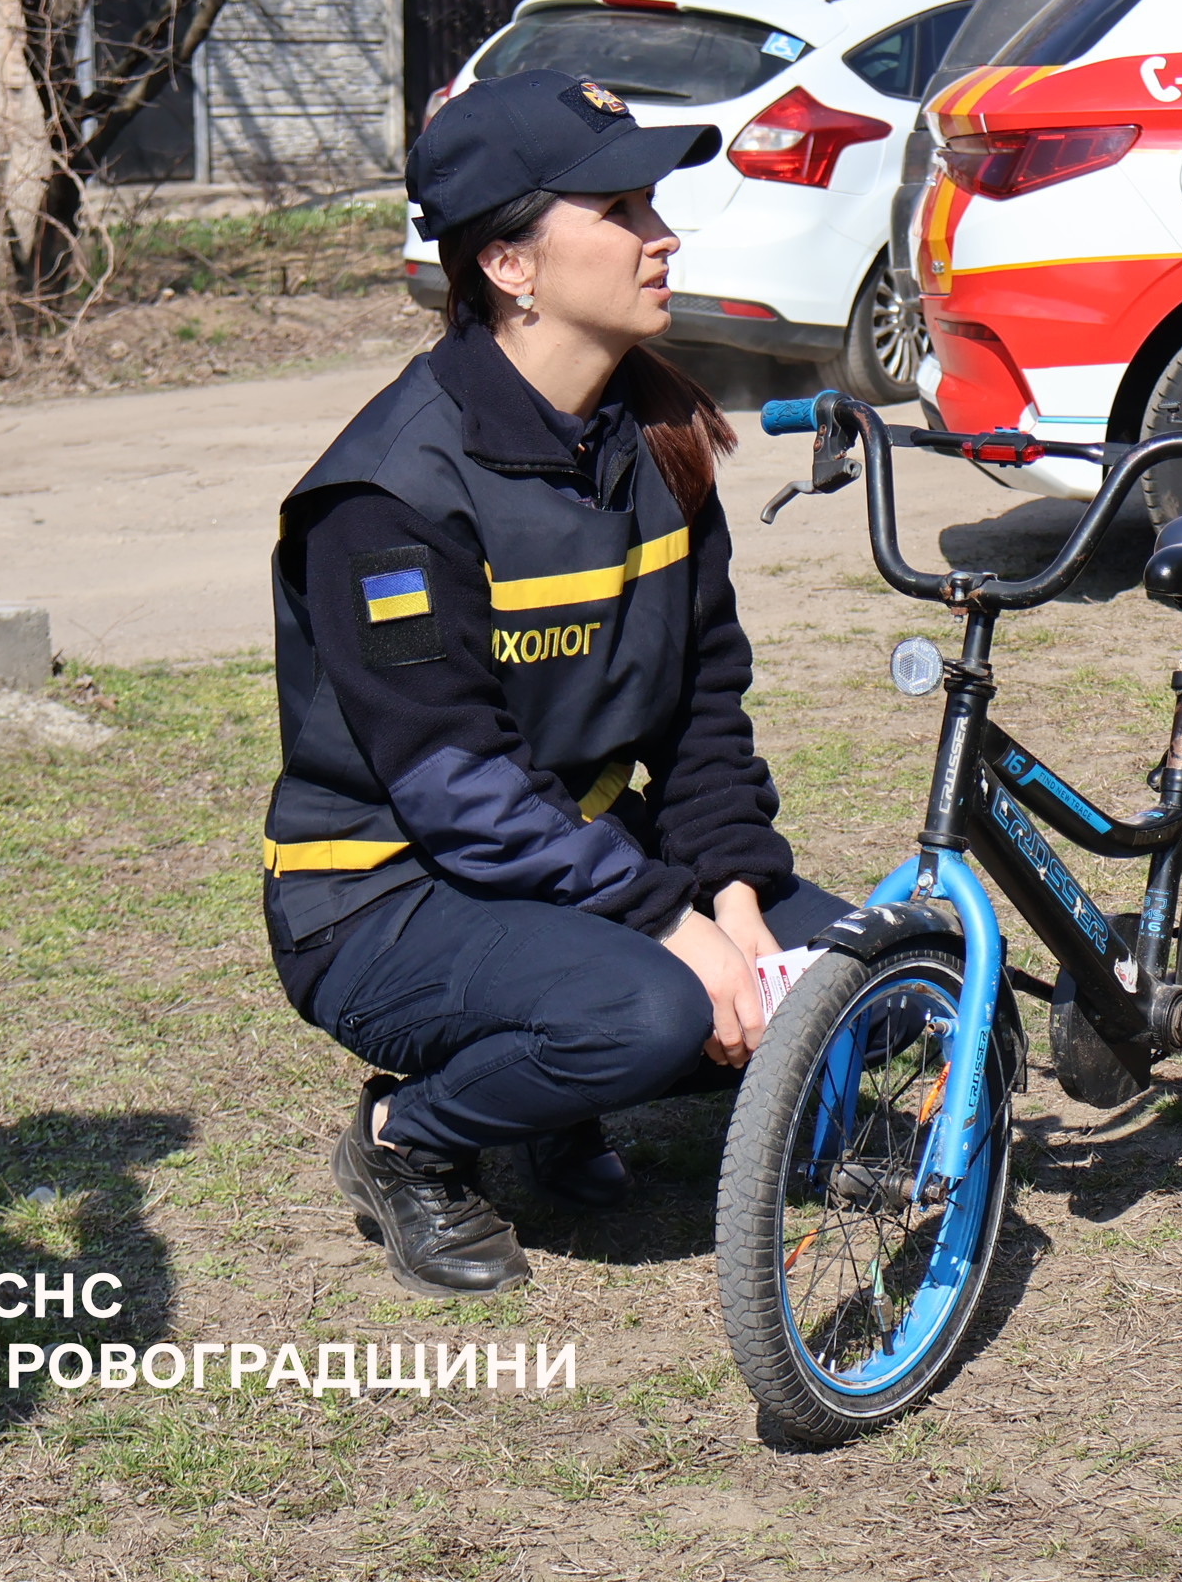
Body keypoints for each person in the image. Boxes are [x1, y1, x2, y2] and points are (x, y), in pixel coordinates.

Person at [260, 68, 850, 1298]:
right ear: (510, 268)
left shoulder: (655, 438)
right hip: (383, 898)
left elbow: (702, 711)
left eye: (653, 203)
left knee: (852, 968)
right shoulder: (388, 493)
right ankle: (409, 1139)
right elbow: (456, 788)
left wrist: (734, 893)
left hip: (571, 866)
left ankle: (560, 1080)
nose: (662, 234)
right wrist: (668, 925)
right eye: (621, 208)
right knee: (652, 1012)